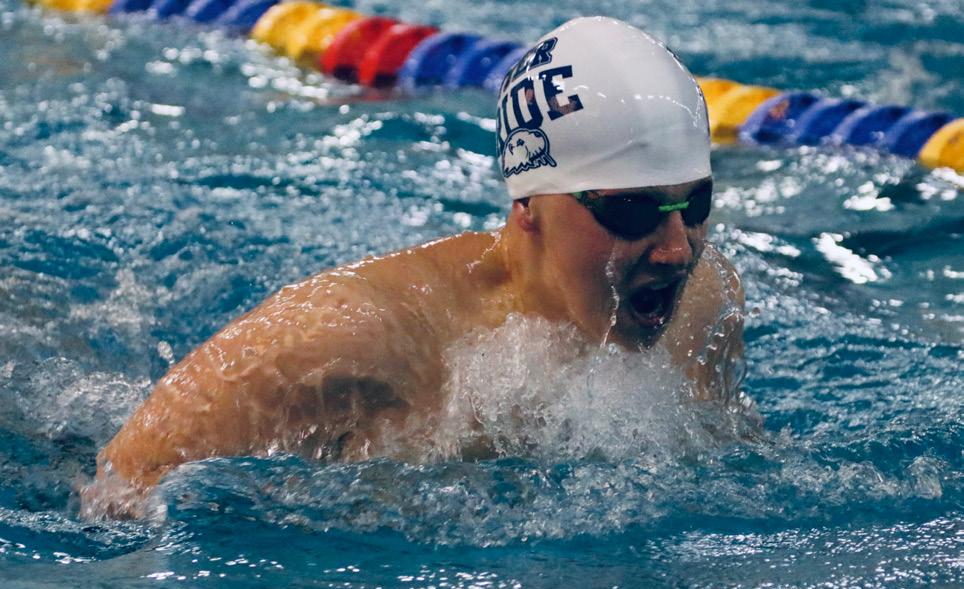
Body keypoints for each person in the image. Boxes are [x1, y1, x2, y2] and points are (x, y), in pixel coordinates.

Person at [82, 16, 745, 517]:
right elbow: (121, 486)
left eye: (694, 205)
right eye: (630, 211)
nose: (677, 249)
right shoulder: (346, 338)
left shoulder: (705, 304)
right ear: (528, 204)